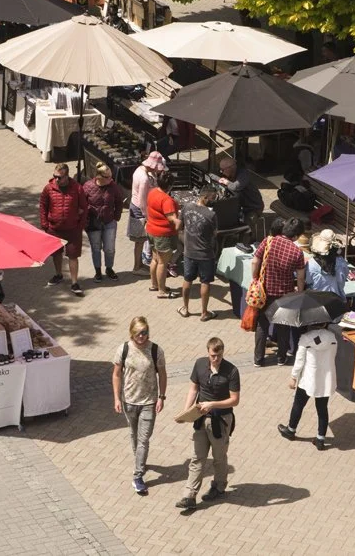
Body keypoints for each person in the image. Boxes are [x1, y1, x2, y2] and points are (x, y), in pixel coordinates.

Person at [176, 337, 240, 510]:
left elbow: (234, 400)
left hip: (221, 420)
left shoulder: (232, 371)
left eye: (218, 355)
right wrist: (186, 412)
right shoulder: (199, 364)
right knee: (197, 458)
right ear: (208, 352)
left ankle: (219, 487)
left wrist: (213, 404)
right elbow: (193, 389)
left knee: (219, 458)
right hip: (200, 419)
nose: (215, 359)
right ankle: (189, 495)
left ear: (222, 353)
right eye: (213, 355)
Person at [112, 316, 167, 496]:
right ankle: (140, 462)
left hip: (148, 402)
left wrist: (161, 397)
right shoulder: (124, 349)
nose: (142, 336)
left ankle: (138, 476)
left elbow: (163, 374)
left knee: (144, 439)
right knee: (134, 435)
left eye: (145, 332)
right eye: (138, 333)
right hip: (129, 400)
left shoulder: (156, 350)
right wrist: (117, 398)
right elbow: (117, 375)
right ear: (132, 333)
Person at [252, 217, 306, 367]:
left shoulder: (269, 241)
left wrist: (255, 278)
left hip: (265, 291)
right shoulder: (297, 252)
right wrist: (299, 293)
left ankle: (258, 359)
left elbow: (255, 261)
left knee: (262, 325)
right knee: (283, 326)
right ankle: (281, 358)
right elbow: (300, 278)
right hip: (285, 294)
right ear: (296, 236)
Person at [278, 322, 338, 450]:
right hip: (326, 379)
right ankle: (321, 439)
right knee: (322, 409)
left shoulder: (305, 338)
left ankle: (291, 430)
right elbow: (333, 355)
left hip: (309, 379)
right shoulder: (332, 337)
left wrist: (293, 377)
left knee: (298, 404)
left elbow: (299, 360)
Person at [39, 163, 88, 296]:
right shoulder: (48, 189)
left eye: (59, 177)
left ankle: (74, 283)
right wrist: (45, 225)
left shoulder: (77, 188)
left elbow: (84, 207)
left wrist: (80, 226)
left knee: (73, 256)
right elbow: (43, 206)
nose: (56, 179)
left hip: (73, 229)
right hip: (54, 228)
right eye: (55, 176)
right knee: (56, 254)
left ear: (67, 176)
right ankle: (58, 274)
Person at [179, 187, 219, 321]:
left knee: (187, 279)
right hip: (205, 254)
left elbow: (180, 225)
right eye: (212, 198)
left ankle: (185, 308)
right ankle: (204, 312)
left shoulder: (186, 207)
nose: (213, 201)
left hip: (189, 252)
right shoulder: (211, 215)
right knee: (205, 282)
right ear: (204, 197)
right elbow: (214, 234)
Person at [83, 162, 124, 283]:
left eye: (111, 176)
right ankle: (98, 271)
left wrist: (116, 217)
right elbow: (82, 204)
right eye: (108, 177)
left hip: (109, 222)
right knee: (96, 248)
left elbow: (119, 201)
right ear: (99, 176)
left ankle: (109, 268)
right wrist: (85, 221)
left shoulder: (113, 186)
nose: (111, 179)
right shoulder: (87, 186)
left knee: (109, 248)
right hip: (93, 223)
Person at [128, 152, 166, 273]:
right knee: (140, 240)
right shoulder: (144, 178)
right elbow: (142, 200)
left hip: (136, 207)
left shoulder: (139, 170)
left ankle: (139, 264)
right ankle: (136, 267)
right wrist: (148, 217)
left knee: (141, 240)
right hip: (140, 209)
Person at [145, 170, 181, 297]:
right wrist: (179, 223)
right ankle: (162, 291)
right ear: (170, 186)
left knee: (155, 259)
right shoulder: (167, 200)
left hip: (151, 230)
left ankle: (154, 285)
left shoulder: (152, 192)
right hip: (163, 235)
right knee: (162, 262)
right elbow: (172, 218)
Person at [218, 157, 264, 237]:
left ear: (230, 168)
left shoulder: (243, 174)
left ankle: (249, 241)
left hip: (253, 208)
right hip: (241, 206)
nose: (221, 172)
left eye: (223, 169)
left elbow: (236, 187)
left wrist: (226, 182)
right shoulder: (231, 173)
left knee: (246, 229)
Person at [305, 229, 347, 299]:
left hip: (317, 301)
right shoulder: (341, 262)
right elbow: (342, 280)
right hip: (338, 300)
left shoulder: (311, 264)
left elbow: (308, 281)